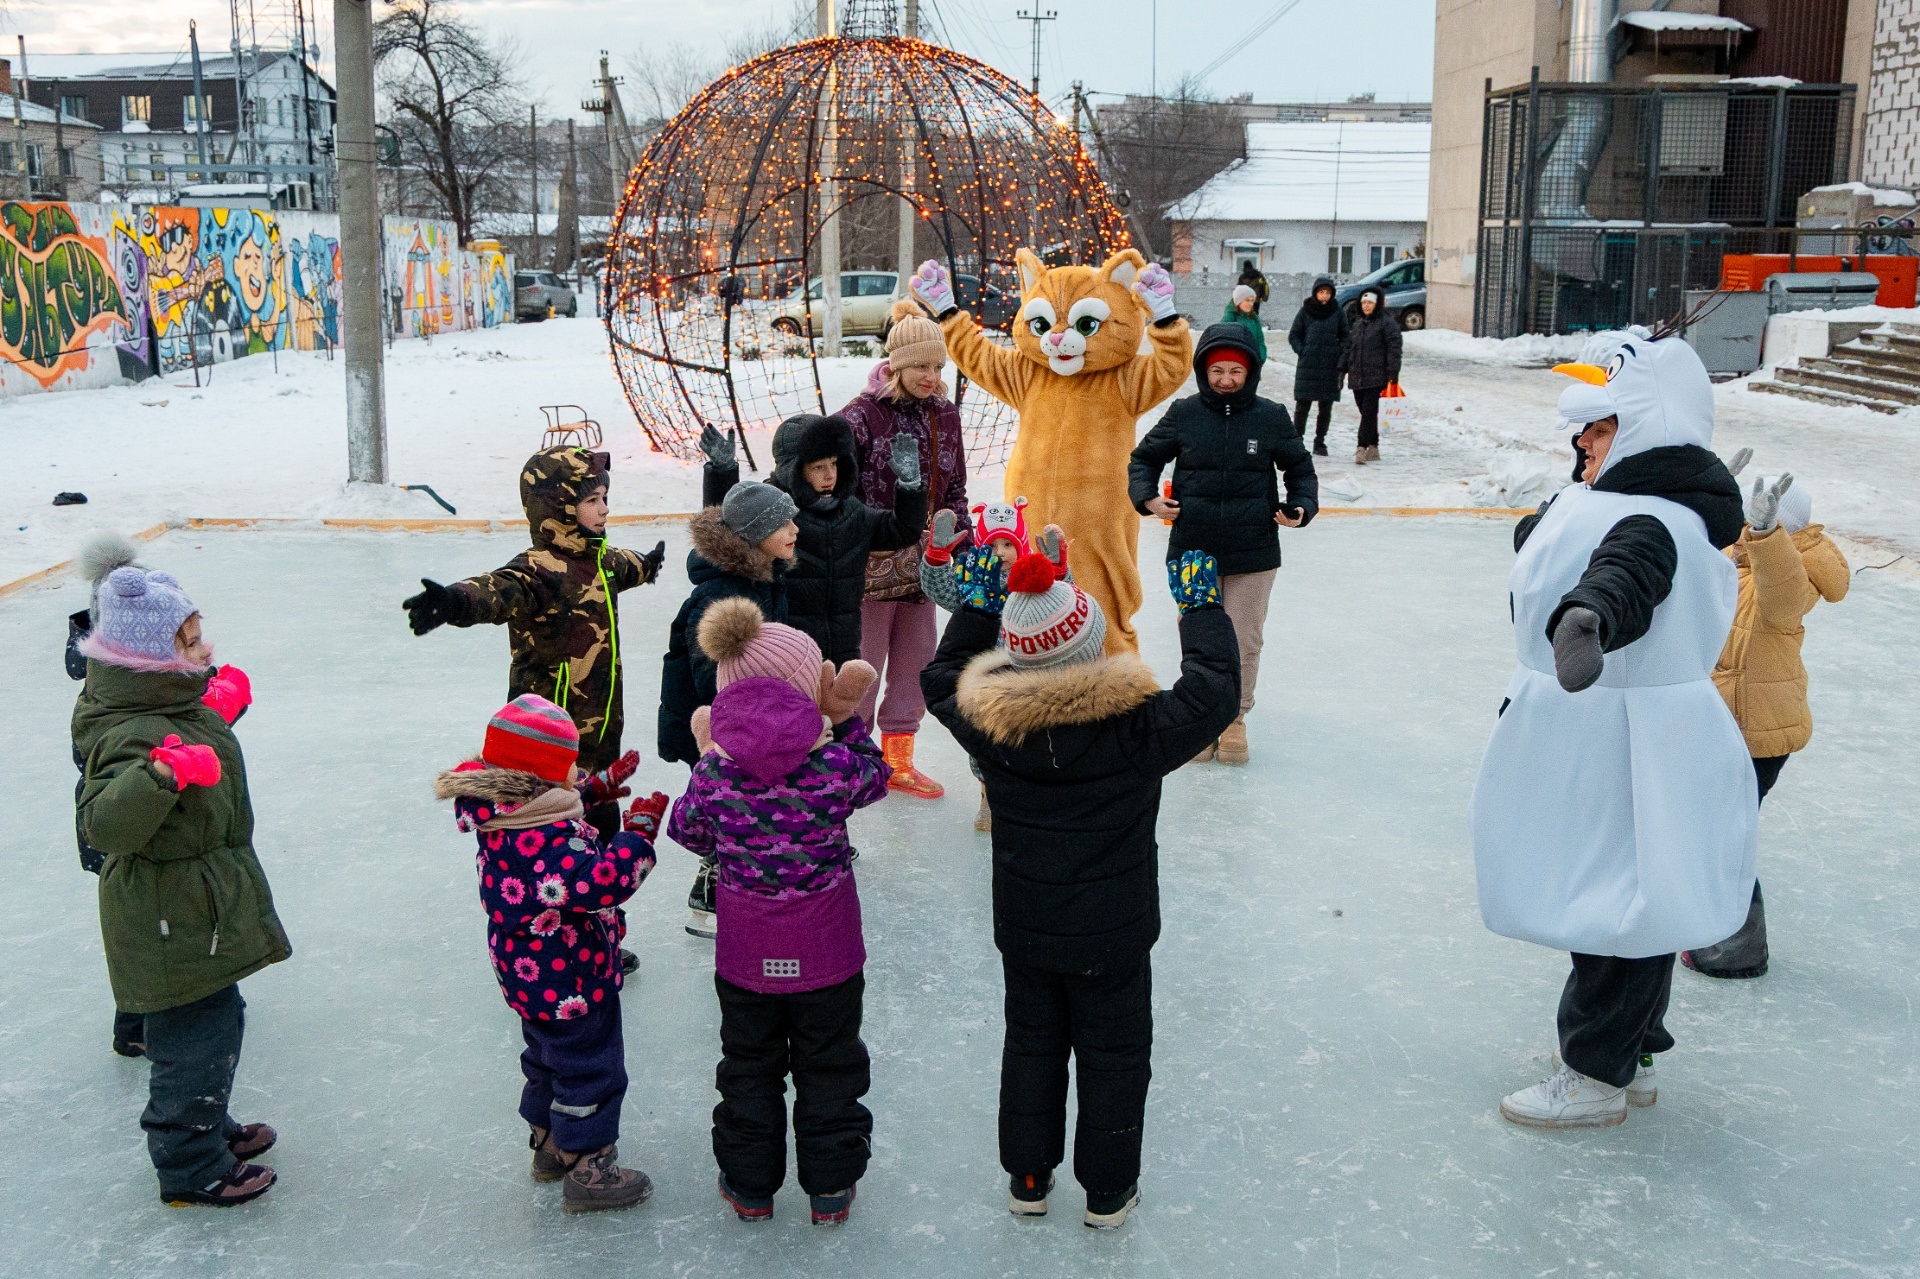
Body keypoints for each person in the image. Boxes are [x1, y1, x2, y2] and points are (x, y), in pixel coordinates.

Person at [1473, 331, 1751, 1129]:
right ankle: (1632, 1049)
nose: (1581, 444)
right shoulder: (1616, 501)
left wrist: (1587, 617)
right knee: (1628, 898)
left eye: (1598, 430)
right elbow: (1564, 542)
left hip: (1625, 740)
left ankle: (1596, 1071)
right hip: (1606, 734)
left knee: (1615, 905)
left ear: (1641, 427)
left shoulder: (1650, 519)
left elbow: (1627, 570)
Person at [921, 547, 1240, 1230]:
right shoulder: (1138, 728)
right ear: (1092, 645)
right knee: (1115, 1056)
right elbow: (1213, 692)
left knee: (1031, 1046)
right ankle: (1108, 1192)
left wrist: (976, 609)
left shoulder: (991, 721)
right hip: (1114, 933)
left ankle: (1028, 1178)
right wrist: (1202, 610)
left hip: (1028, 929)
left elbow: (941, 679)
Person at [73, 559, 291, 1206]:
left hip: (194, 908)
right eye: (190, 643)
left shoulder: (163, 702)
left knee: (214, 1024)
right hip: (165, 918)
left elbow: (191, 738)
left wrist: (217, 710)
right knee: (193, 1039)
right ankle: (189, 1163)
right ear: (150, 662)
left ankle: (208, 1126)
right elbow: (102, 822)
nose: (206, 650)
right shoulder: (128, 732)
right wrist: (161, 776)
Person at [666, 598, 889, 1228]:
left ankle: (749, 1186)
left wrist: (708, 759)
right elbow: (876, 777)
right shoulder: (834, 765)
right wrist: (845, 722)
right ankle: (831, 1187)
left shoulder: (716, 774)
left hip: (746, 955)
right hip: (828, 952)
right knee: (831, 1064)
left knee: (749, 1067)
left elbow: (687, 830)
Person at [435, 694, 664, 1213]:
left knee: (545, 1057)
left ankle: (550, 1144)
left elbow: (552, 798)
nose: (575, 775)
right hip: (572, 978)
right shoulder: (547, 841)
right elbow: (601, 883)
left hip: (529, 976)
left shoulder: (505, 814)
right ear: (543, 776)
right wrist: (638, 836)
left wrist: (597, 788)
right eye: (569, 766)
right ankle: (589, 1167)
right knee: (590, 1068)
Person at [402, 445, 666, 848]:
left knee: (599, 825)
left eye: (605, 497)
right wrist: (455, 601)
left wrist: (647, 565)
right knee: (551, 837)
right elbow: (498, 589)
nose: (605, 509)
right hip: (545, 736)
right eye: (592, 500)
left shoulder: (601, 558)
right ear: (559, 507)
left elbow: (626, 566)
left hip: (600, 728)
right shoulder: (537, 570)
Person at [1684, 470, 1849, 979]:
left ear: (1780, 525)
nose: (1740, 528)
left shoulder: (1792, 577)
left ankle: (1740, 948)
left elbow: (1781, 596)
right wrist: (1697, 496)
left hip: (1760, 732)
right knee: (1709, 827)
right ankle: (1709, 926)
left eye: (1749, 521)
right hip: (1724, 720)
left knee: (1724, 834)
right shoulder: (1741, 560)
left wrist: (1766, 534)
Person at [1129, 322, 1319, 765]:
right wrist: (1149, 499)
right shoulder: (1185, 413)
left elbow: (1300, 469)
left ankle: (1233, 718)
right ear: (1203, 371)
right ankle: (1201, 717)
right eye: (1217, 371)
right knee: (1199, 635)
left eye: (1235, 371)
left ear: (1249, 372)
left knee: (1243, 637)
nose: (1226, 380)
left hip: (1253, 550)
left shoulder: (1270, 416)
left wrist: (1301, 507)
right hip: (1193, 550)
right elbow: (1144, 459)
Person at [838, 307, 970, 800]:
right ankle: (852, 760)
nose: (931, 377)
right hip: (868, 564)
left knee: (916, 664)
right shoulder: (858, 415)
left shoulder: (944, 413)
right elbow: (834, 488)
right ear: (895, 364)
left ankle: (898, 761)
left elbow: (954, 487)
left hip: (925, 562)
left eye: (937, 366)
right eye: (920, 366)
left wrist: (963, 543)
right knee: (864, 665)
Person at [660, 479, 800, 937]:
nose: (795, 530)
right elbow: (710, 676)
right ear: (755, 535)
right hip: (714, 725)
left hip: (747, 721)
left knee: (745, 808)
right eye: (784, 523)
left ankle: (763, 871)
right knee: (724, 810)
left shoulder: (765, 578)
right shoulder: (721, 594)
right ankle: (710, 890)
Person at [697, 414, 928, 665]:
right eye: (818, 467)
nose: (830, 475)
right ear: (794, 469)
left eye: (834, 464)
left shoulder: (852, 512)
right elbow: (727, 532)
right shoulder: (774, 510)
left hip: (843, 649)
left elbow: (903, 531)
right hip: (786, 649)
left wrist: (910, 485)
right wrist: (722, 473)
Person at [920, 501, 1070, 830]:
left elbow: (1065, 599)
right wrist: (936, 558)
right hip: (985, 677)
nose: (1000, 553)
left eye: (1008, 544)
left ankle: (1029, 796)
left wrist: (1058, 571)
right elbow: (939, 590)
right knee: (984, 743)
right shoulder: (973, 584)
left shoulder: (1033, 580)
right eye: (992, 545)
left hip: (1028, 676)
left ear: (1021, 545)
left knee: (1031, 740)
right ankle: (988, 797)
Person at [1340, 284, 1401, 465]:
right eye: (1363, 302)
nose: (1366, 306)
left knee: (1368, 413)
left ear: (1377, 304)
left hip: (1377, 377)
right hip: (1357, 376)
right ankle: (1373, 446)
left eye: (1370, 303)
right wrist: (1342, 369)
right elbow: (1349, 349)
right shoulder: (1358, 324)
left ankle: (1361, 447)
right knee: (1367, 412)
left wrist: (1393, 372)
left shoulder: (1387, 324)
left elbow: (1394, 349)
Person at [1288, 276, 1348, 458]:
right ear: (1315, 293)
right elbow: (1294, 335)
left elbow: (1346, 336)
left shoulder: (1337, 311)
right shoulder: (1305, 311)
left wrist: (1339, 352)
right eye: (1321, 292)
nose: (1324, 296)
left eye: (1327, 292)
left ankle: (1320, 441)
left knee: (1325, 407)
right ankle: (1297, 441)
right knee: (1302, 406)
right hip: (1308, 366)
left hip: (1330, 367)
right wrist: (1302, 350)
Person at [1220, 285, 1268, 363]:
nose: (1251, 304)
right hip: (1236, 362)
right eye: (1247, 300)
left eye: (1252, 301)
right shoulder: (1229, 317)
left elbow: (1260, 340)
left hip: (1253, 361)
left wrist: (1261, 357)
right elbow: (1223, 341)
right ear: (1238, 301)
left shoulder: (1254, 318)